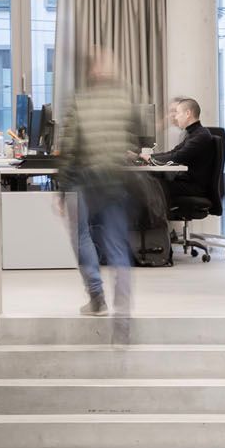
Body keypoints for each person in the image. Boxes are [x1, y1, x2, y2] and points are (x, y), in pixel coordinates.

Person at [56, 47, 147, 320]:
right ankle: (123, 301)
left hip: (84, 180)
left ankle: (96, 297)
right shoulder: (126, 99)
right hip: (116, 180)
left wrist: (62, 191)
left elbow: (70, 149)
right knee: (116, 241)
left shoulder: (80, 102)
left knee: (81, 235)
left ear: (91, 71)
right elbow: (135, 138)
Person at [148, 97, 218, 206]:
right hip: (187, 183)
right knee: (151, 182)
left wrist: (150, 158)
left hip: (193, 187)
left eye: (178, 113)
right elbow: (173, 152)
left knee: (149, 186)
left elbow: (177, 157)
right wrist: (149, 156)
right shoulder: (193, 134)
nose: (175, 117)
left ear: (188, 113)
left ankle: (153, 222)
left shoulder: (200, 136)